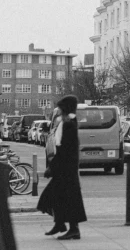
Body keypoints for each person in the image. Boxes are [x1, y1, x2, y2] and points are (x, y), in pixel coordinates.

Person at [37, 95, 87, 240]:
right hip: (65, 168)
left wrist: (51, 168)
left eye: (60, 107)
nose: (58, 110)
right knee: (58, 197)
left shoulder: (68, 124)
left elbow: (65, 149)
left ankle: (73, 229)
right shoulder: (68, 122)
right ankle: (60, 224)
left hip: (66, 169)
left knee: (63, 198)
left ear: (65, 108)